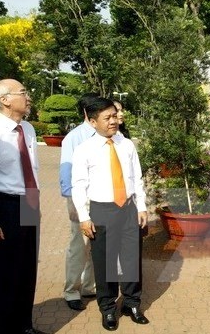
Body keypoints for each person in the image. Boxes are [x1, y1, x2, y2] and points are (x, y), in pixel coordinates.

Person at [0, 79, 47, 334]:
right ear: (4, 99)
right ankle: (3, 329)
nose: (28, 97)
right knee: (6, 272)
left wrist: (35, 205)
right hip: (4, 205)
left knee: (27, 267)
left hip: (29, 203)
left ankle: (24, 325)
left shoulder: (28, 128)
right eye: (23, 92)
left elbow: (32, 169)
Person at [72, 97, 149, 331]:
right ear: (93, 122)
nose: (113, 121)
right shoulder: (84, 149)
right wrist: (84, 216)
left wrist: (142, 206)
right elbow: (78, 185)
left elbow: (137, 178)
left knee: (131, 258)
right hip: (101, 210)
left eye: (115, 116)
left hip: (128, 209)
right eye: (107, 118)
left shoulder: (126, 145)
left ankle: (132, 303)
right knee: (104, 262)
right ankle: (107, 309)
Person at [59, 93, 98, 311]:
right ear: (86, 112)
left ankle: (89, 286)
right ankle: (71, 290)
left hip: (102, 199)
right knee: (79, 244)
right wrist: (72, 202)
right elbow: (66, 171)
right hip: (81, 199)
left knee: (96, 243)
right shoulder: (74, 137)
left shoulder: (107, 134)